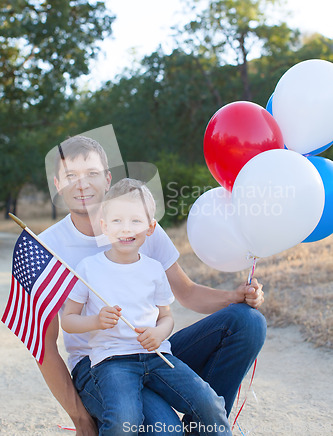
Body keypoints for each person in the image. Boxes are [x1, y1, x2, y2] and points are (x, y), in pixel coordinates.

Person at [37, 134, 266, 436]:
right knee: (165, 431)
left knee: (248, 321)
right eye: (71, 177)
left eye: (91, 174)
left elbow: (186, 293)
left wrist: (234, 296)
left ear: (107, 179)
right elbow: (45, 346)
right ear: (57, 185)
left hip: (153, 349)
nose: (82, 185)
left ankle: (204, 429)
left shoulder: (137, 223)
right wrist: (81, 420)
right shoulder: (46, 249)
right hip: (101, 365)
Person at [61, 178, 232, 436]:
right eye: (117, 221)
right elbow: (69, 320)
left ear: (151, 227)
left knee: (208, 402)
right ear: (104, 226)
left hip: (157, 357)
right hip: (112, 362)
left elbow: (166, 317)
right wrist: (95, 321)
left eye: (135, 221)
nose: (125, 228)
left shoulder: (153, 269)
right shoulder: (89, 269)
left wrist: (159, 334)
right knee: (122, 420)